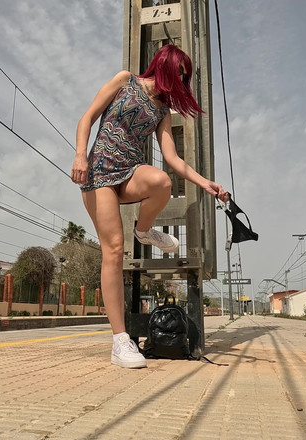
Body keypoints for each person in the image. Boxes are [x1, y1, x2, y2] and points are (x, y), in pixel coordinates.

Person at [71, 45, 229, 369]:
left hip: (129, 174)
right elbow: (87, 117)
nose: (183, 81)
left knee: (163, 182)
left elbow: (172, 159)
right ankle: (119, 341)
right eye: (181, 73)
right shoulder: (124, 80)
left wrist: (205, 183)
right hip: (99, 174)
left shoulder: (162, 112)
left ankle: (144, 231)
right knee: (114, 251)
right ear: (166, 65)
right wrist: (79, 155)